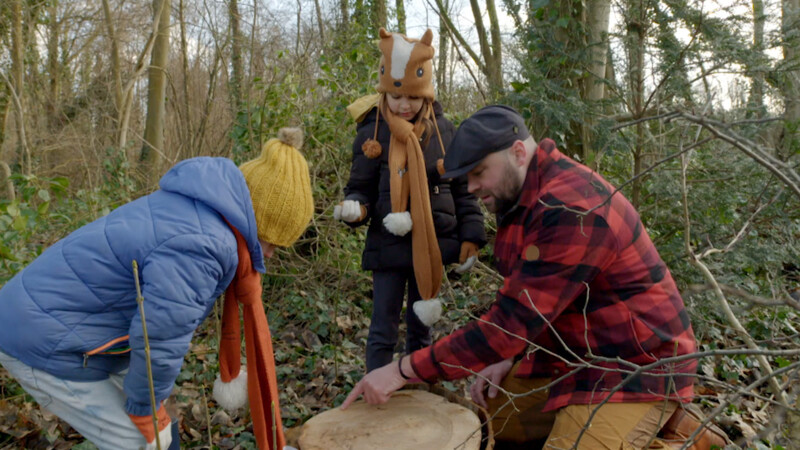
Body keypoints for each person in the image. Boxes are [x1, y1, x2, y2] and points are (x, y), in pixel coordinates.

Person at [342, 106, 728, 448]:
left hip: (633, 369)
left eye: (478, 173)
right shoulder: (523, 196)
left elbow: (505, 327)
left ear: (519, 152)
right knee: (495, 418)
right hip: (573, 355)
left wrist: (402, 369)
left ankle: (675, 430)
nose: (472, 188)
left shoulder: (571, 210)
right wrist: (512, 354)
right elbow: (528, 305)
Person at [0, 128, 313, 450]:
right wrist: (144, 410)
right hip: (41, 338)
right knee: (139, 442)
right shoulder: (204, 245)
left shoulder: (194, 211)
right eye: (273, 241)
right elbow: (160, 335)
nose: (272, 253)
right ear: (257, 220)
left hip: (61, 323)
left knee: (163, 424)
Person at [334, 28, 486, 373]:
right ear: (385, 93)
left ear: (426, 96)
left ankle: (419, 389)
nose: (404, 106)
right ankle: (376, 391)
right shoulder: (370, 133)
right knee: (382, 329)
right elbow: (361, 187)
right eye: (396, 97)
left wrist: (471, 237)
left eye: (413, 99)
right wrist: (355, 209)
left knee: (421, 329)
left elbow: (463, 191)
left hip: (431, 245)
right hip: (388, 245)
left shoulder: (445, 131)